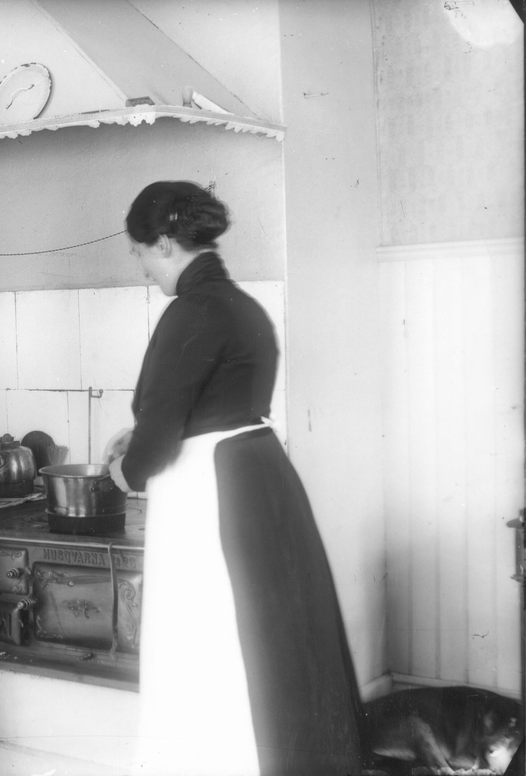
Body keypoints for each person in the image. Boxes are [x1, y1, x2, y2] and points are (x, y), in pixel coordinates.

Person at [105, 182, 364, 775]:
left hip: (207, 489)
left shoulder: (191, 310)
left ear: (164, 243)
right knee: (264, 640)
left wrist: (127, 469)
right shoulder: (241, 305)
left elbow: (162, 433)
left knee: (208, 638)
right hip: (255, 472)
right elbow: (212, 403)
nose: (144, 268)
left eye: (141, 253)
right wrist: (140, 432)